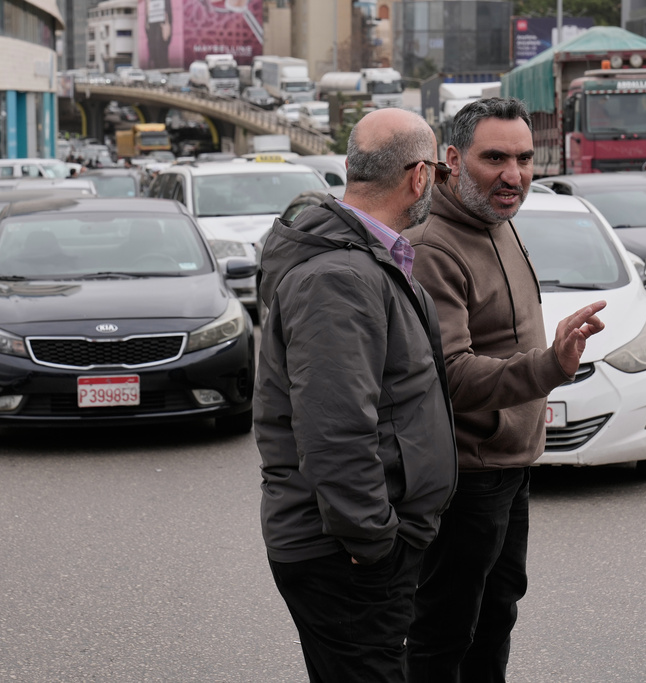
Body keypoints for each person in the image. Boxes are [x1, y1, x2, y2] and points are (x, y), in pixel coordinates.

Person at [401, 97, 606, 682]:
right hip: (466, 477)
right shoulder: (433, 245)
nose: (513, 175)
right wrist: (549, 368)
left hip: (507, 465)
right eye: (494, 158)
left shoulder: (496, 221)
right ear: (451, 159)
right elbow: (451, 374)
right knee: (446, 632)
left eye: (523, 158)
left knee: (494, 617)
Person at [254, 108, 458, 683]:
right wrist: (375, 544)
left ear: (350, 167)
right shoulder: (340, 277)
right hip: (345, 556)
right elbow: (335, 432)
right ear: (419, 177)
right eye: (436, 175)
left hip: (352, 547)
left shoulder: (363, 260)